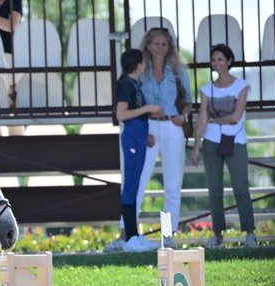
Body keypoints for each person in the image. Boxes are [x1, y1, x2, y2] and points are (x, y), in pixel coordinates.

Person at [190, 43, 258, 249]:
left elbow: (236, 116)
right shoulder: (206, 89)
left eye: (220, 59)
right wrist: (196, 146)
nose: (217, 63)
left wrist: (215, 121)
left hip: (235, 142)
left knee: (240, 188)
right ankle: (218, 235)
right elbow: (202, 118)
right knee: (214, 190)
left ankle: (250, 233)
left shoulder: (241, 86)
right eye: (214, 60)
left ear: (229, 61)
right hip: (211, 143)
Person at [136, 26, 193, 248]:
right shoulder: (140, 69)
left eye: (164, 44)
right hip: (148, 126)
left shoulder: (178, 70)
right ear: (148, 45)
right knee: (139, 180)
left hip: (171, 125)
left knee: (172, 183)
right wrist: (142, 126)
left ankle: (168, 236)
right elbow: (135, 100)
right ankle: (131, 232)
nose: (160, 48)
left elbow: (187, 100)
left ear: (169, 47)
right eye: (156, 44)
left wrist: (184, 116)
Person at [105, 50, 163, 253]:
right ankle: (129, 237)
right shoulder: (126, 85)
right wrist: (148, 109)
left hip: (138, 135)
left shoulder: (134, 84)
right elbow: (121, 114)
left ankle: (134, 235)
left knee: (135, 185)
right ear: (138, 64)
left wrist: (145, 132)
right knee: (130, 186)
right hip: (131, 137)